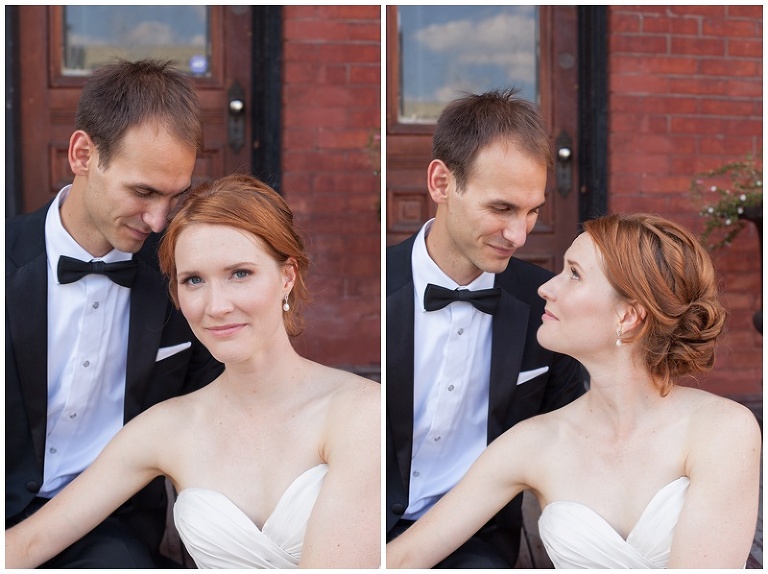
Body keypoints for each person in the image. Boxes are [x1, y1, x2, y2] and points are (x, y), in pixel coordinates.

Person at [6, 173, 382, 569]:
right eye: (194, 280)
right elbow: (30, 544)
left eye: (240, 273)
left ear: (286, 276)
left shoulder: (360, 412)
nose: (216, 306)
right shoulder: (164, 428)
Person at [387, 212, 762, 569]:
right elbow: (403, 558)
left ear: (628, 316)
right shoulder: (530, 443)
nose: (545, 288)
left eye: (574, 274)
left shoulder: (722, 430)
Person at [5, 58, 224, 568]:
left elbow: (219, 413)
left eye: (174, 196)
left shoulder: (183, 275)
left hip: (111, 527)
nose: (159, 220)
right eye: (143, 192)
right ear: (83, 154)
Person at [386, 87, 586, 568]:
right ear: (441, 183)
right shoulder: (373, 286)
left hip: (478, 539)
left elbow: (573, 441)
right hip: (357, 523)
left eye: (532, 211)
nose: (519, 235)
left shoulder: (547, 303)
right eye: (502, 209)